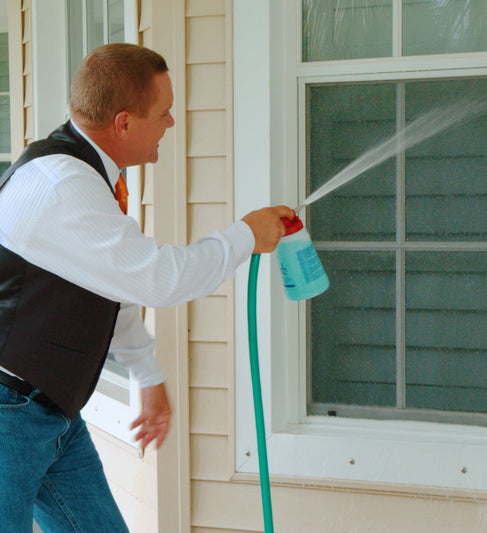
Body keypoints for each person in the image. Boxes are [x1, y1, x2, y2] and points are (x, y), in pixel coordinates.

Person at [0, 43, 293, 533]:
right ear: (123, 123)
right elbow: (159, 278)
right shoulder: (63, 186)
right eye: (164, 112)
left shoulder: (84, 175)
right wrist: (245, 235)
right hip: (10, 417)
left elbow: (111, 285)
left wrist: (146, 373)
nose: (172, 123)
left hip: (50, 414)